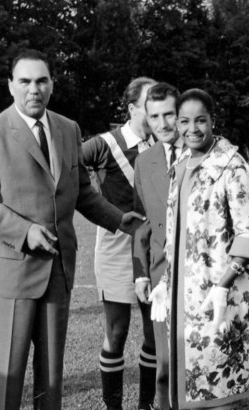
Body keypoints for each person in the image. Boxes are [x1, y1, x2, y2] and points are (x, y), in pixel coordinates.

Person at [0, 49, 143, 410]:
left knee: (52, 381)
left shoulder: (67, 129)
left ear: (52, 84)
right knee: (6, 382)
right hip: (9, 275)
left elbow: (81, 191)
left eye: (42, 81)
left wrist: (116, 218)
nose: (34, 89)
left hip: (57, 272)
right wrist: (24, 232)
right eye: (25, 81)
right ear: (10, 85)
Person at [149, 88, 249, 409]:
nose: (192, 129)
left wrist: (223, 285)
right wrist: (165, 280)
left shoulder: (232, 165)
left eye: (200, 120)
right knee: (188, 391)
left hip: (221, 298)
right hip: (183, 300)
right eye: (184, 121)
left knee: (218, 394)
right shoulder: (182, 164)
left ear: (213, 120)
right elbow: (178, 234)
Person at [82, 77, 158, 410]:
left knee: (155, 333)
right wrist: (104, 205)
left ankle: (146, 407)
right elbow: (70, 168)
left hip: (154, 249)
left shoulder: (163, 143)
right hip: (115, 246)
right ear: (131, 109)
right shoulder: (105, 144)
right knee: (117, 332)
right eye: (148, 105)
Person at [132, 82, 184, 410]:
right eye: (155, 117)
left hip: (201, 280)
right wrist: (140, 273)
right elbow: (141, 224)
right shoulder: (144, 161)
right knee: (164, 368)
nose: (163, 124)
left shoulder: (207, 154)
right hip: (161, 278)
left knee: (199, 366)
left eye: (169, 115)